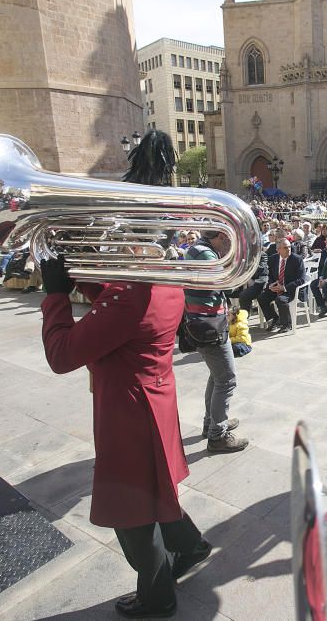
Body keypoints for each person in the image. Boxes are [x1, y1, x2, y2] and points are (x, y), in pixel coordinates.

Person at [40, 131, 213, 617]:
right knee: (155, 492)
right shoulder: (164, 280)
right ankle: (193, 545)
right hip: (153, 398)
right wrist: (81, 275)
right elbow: (123, 308)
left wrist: (55, 294)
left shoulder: (128, 294)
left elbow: (61, 354)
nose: (108, 241)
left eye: (116, 235)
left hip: (127, 408)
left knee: (130, 511)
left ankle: (157, 596)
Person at [184, 231, 249, 453]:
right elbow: (229, 286)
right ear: (220, 236)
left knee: (217, 376)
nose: (229, 244)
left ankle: (211, 423)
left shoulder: (196, 250)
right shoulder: (207, 256)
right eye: (227, 240)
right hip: (210, 325)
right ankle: (217, 435)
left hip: (202, 322)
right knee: (227, 380)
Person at [258, 238, 307, 332]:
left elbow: (301, 279)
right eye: (285, 247)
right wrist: (271, 284)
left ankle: (287, 324)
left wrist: (284, 288)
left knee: (280, 300)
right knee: (262, 297)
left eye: (289, 247)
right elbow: (270, 275)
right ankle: (275, 319)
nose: (288, 249)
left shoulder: (297, 259)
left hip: (290, 289)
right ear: (278, 250)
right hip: (277, 287)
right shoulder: (273, 259)